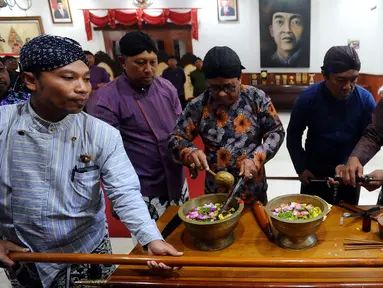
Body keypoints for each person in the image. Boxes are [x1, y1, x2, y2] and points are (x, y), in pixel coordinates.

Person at [0, 34, 182, 288]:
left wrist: (151, 238)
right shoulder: (4, 124)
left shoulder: (100, 133)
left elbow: (125, 191)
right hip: (24, 257)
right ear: (31, 80)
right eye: (68, 78)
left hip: (87, 251)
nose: (83, 88)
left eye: (85, 78)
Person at [86, 31, 188, 221]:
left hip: (176, 179)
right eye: (140, 63)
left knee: (183, 235)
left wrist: (189, 151)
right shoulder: (104, 100)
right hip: (142, 189)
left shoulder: (167, 88)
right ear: (123, 61)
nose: (149, 69)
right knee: (151, 247)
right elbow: (106, 159)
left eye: (153, 62)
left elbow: (180, 131)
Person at [168, 46, 285, 204]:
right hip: (216, 191)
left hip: (253, 190)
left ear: (240, 77)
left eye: (229, 87)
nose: (222, 93)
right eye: (215, 88)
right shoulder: (199, 105)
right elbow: (175, 138)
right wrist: (190, 152)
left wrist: (256, 158)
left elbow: (276, 132)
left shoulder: (256, 98)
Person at [287, 46, 376, 205]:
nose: (348, 86)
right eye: (341, 79)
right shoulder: (307, 98)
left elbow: (370, 137)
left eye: (353, 79)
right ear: (325, 76)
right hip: (314, 173)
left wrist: (352, 164)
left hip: (349, 173)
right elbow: (293, 135)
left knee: (346, 217)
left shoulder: (365, 100)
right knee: (311, 215)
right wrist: (300, 167)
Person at [261, 0, 310, 67]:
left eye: (296, 22)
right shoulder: (266, 60)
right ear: (271, 31)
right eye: (280, 22)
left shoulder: (306, 60)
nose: (287, 30)